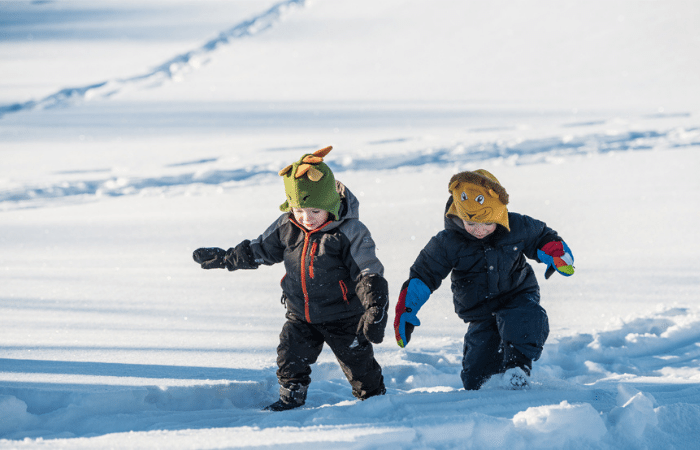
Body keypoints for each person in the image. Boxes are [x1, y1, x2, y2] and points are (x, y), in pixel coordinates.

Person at [193, 146, 388, 411]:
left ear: (330, 204)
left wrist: (375, 307)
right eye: (299, 210)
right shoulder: (287, 226)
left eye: (315, 211)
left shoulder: (349, 232)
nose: (306, 219)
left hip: (343, 316)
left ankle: (375, 400)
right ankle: (291, 398)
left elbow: (368, 271)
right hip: (301, 315)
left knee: (359, 365)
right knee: (289, 357)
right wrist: (227, 258)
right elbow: (259, 250)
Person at [393, 169, 574, 390]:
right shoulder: (448, 242)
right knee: (477, 375)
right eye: (471, 224)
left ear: (498, 214)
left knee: (525, 318)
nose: (479, 230)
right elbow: (424, 273)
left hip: (517, 294)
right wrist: (407, 308)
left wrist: (556, 253)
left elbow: (542, 236)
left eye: (487, 223)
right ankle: (485, 389)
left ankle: (518, 369)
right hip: (480, 310)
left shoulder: (516, 227)